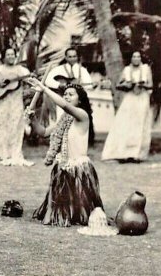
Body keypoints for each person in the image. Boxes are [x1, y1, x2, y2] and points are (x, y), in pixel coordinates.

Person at [25, 77, 104, 227]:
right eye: (65, 93)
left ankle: (77, 214)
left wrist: (43, 88)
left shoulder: (83, 116)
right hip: (64, 164)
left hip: (79, 169)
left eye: (71, 94)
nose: (66, 96)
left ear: (80, 100)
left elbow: (65, 105)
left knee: (81, 209)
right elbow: (43, 132)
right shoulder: (65, 119)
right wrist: (33, 118)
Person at [0, 48, 33, 166]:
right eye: (8, 54)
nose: (11, 56)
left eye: (12, 54)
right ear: (4, 57)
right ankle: (3, 153)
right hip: (2, 101)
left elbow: (29, 79)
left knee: (16, 126)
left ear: (15, 56)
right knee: (2, 125)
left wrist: (31, 79)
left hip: (16, 101)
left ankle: (15, 152)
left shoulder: (21, 70)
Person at [101, 51, 153, 162]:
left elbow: (150, 85)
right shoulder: (127, 70)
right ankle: (123, 153)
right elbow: (119, 85)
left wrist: (141, 84)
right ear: (131, 58)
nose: (136, 58)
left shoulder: (146, 69)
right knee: (126, 124)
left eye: (138, 56)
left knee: (140, 125)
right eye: (134, 56)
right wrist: (127, 85)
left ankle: (137, 154)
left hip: (142, 98)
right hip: (130, 98)